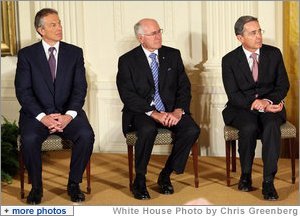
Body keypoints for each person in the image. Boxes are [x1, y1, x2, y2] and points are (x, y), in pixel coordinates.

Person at [15, 8, 94, 204]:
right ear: (41, 30)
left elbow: (80, 88)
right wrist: (44, 117)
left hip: (68, 113)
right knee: (30, 138)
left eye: (59, 23)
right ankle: (37, 188)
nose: (59, 28)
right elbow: (23, 91)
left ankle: (74, 184)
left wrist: (68, 116)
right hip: (37, 115)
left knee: (86, 135)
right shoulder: (27, 55)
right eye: (53, 24)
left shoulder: (75, 53)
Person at [116, 18, 200, 200]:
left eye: (159, 31)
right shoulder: (127, 61)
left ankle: (166, 174)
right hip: (142, 111)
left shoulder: (172, 55)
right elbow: (127, 95)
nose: (158, 36)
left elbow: (183, 87)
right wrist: (154, 113)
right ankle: (139, 179)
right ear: (140, 38)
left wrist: (178, 111)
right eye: (153, 33)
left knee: (191, 129)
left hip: (171, 110)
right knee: (147, 129)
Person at [222, 15, 290, 200]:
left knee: (271, 126)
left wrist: (267, 102)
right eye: (253, 33)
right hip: (241, 108)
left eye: (260, 31)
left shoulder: (274, 53)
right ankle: (245, 175)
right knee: (248, 127)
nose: (259, 36)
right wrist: (254, 103)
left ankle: (268, 181)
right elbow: (233, 94)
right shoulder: (229, 60)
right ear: (240, 37)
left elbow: (283, 85)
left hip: (271, 106)